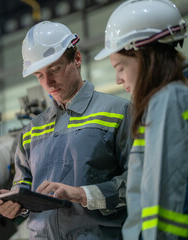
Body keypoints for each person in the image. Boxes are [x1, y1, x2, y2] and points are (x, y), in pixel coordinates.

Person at [0, 20, 133, 239]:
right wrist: (16, 203)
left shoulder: (118, 112)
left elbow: (136, 182)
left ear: (76, 59)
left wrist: (81, 194)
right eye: (39, 75)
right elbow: (23, 183)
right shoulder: (32, 130)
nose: (48, 82)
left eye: (54, 69)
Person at [94, 0, 188, 239]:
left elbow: (163, 196)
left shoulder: (168, 99)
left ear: (143, 55)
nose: (118, 79)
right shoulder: (174, 96)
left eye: (121, 67)